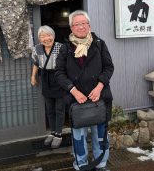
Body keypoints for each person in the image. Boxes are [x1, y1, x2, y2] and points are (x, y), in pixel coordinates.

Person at [55, 10, 114, 171]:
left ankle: (100, 164)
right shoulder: (65, 48)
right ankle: (81, 164)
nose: (80, 27)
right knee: (78, 136)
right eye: (76, 24)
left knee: (100, 136)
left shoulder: (99, 43)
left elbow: (109, 67)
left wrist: (99, 86)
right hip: (76, 100)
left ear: (89, 25)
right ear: (71, 28)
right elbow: (59, 73)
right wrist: (73, 90)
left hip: (98, 99)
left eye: (83, 23)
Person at [31, 25, 65, 149]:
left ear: (53, 36)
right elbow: (35, 62)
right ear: (39, 38)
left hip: (59, 78)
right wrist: (33, 76)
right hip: (45, 78)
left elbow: (67, 64)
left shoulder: (60, 47)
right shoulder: (37, 49)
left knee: (59, 109)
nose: (46, 38)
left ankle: (59, 134)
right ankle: (52, 132)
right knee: (49, 109)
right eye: (42, 36)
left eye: (48, 35)